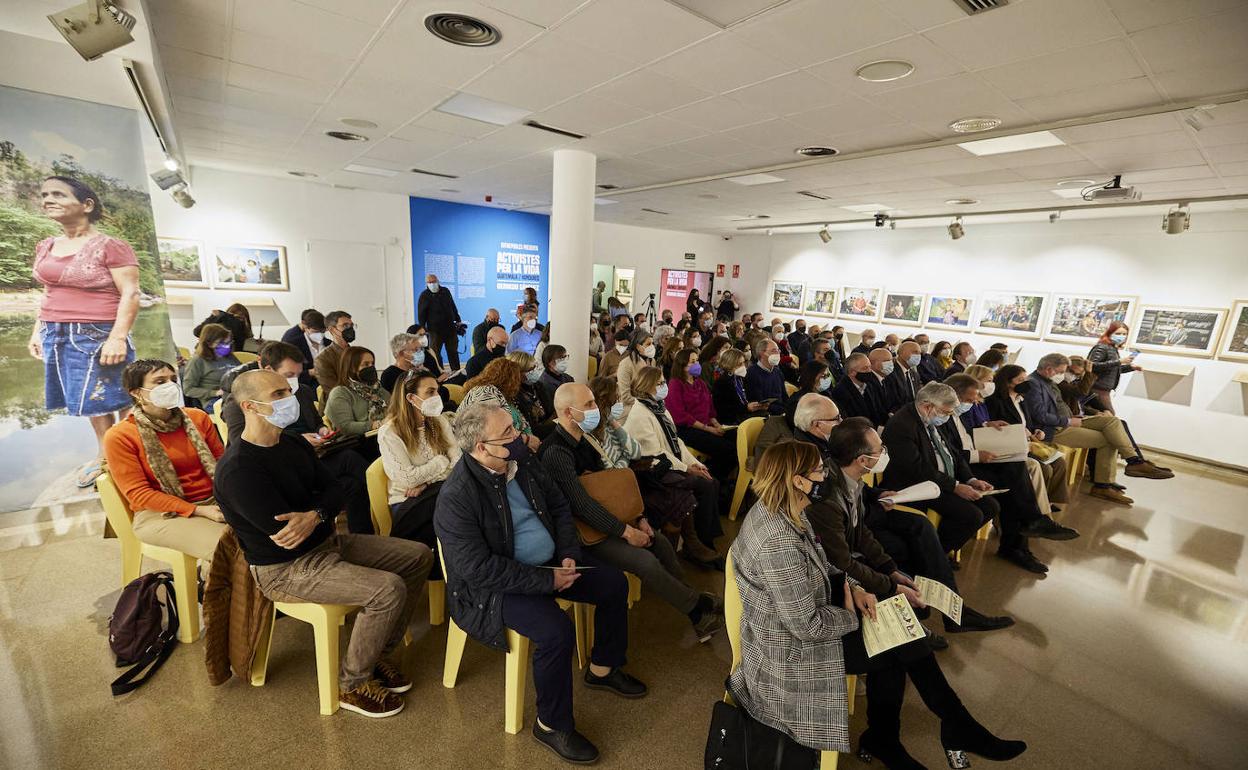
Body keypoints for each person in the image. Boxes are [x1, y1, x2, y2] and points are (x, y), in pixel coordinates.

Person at [736, 440, 1030, 769]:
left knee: (901, 637)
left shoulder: (790, 510)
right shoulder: (779, 541)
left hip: (802, 616)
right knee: (899, 644)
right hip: (790, 647)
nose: (826, 475)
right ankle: (936, 730)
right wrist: (850, 613)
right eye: (819, 470)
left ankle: (910, 734)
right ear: (797, 480)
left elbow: (827, 564)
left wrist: (856, 587)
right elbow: (807, 627)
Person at [215, 369, 433, 718]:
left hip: (326, 543)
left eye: (288, 390)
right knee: (387, 589)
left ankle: (376, 655)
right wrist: (321, 514)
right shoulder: (239, 469)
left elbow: (336, 490)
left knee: (417, 555)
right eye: (277, 394)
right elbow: (287, 536)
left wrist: (316, 514)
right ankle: (352, 684)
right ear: (249, 406)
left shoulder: (294, 443)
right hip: (285, 569)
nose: (289, 398)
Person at [435, 404, 645, 764]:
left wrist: (566, 552)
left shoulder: (523, 464)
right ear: (482, 447)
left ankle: (603, 668)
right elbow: (477, 569)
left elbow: (560, 506)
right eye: (508, 433)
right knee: (554, 630)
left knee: (612, 584)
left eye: (515, 428)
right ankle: (551, 724)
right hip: (497, 587)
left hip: (550, 563)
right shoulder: (458, 497)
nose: (519, 437)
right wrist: (545, 579)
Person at [802, 403, 1015, 637]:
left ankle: (947, 609)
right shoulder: (826, 489)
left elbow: (859, 522)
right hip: (842, 546)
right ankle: (915, 616)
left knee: (919, 529)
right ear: (863, 460)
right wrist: (891, 580)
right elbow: (843, 555)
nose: (885, 452)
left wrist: (890, 570)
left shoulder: (847, 474)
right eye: (880, 449)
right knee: (906, 547)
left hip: (859, 523)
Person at [541, 383, 724, 641]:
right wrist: (626, 532)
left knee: (657, 541)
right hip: (578, 533)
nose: (596, 409)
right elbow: (581, 505)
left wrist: (638, 519)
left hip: (602, 518)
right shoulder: (556, 452)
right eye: (589, 405)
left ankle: (692, 599)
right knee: (644, 560)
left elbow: (608, 487)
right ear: (568, 413)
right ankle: (697, 611)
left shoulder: (585, 439)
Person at [28, 176, 140, 487]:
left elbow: (130, 293)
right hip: (56, 331)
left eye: (59, 194)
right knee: (89, 401)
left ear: (86, 205)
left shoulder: (110, 246)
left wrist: (117, 336)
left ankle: (129, 456)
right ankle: (106, 456)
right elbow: (48, 291)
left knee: (117, 396)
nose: (48, 199)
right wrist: (38, 331)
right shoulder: (46, 245)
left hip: (97, 330)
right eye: (45, 194)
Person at [220, 342, 374, 534]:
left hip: (310, 453)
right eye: (289, 375)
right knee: (350, 461)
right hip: (277, 462)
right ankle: (386, 498)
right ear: (269, 370)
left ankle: (363, 532)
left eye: (298, 375)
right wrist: (301, 438)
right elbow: (242, 441)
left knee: (352, 481)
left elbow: (316, 420)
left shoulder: (302, 392)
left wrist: (322, 430)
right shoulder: (238, 406)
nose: (293, 385)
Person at [944, 374, 1078, 574]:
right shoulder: (943, 415)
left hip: (971, 461)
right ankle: (1023, 534)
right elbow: (950, 451)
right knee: (1015, 482)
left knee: (1015, 469)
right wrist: (976, 456)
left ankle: (1023, 535)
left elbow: (967, 435)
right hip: (961, 467)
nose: (973, 404)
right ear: (955, 396)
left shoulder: (958, 413)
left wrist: (986, 426)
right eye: (970, 400)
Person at [102, 359, 226, 562]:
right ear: (136, 392)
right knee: (228, 550)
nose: (170, 386)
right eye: (160, 382)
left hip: (214, 499)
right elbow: (139, 493)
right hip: (160, 513)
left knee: (269, 537)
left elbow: (222, 464)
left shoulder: (197, 418)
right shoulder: (121, 436)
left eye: (173, 379)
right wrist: (198, 510)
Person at [1022, 354, 1171, 505]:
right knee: (1108, 440)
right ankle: (1104, 485)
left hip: (1069, 420)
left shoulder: (1047, 381)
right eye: (1061, 371)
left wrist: (1079, 417)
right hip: (1054, 428)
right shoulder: (1034, 384)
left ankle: (1134, 461)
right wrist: (1068, 421)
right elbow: (1040, 416)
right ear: (1048, 369)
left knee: (1112, 421)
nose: (1062, 375)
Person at [881, 382, 1000, 557]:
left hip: (940, 479)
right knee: (970, 514)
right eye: (946, 412)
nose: (948, 417)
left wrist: (971, 480)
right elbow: (917, 469)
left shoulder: (931, 417)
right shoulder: (902, 425)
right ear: (927, 406)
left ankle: (944, 548)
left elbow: (952, 453)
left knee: (991, 505)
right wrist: (955, 486)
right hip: (917, 485)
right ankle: (934, 556)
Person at [623, 366, 723, 563]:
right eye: (659, 383)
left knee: (711, 480)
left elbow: (676, 442)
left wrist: (695, 464)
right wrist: (687, 469)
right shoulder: (639, 414)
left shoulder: (659, 407)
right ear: (647, 386)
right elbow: (656, 452)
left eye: (663, 382)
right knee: (702, 484)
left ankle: (704, 540)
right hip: (651, 470)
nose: (664, 386)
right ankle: (695, 545)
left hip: (668, 463)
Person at [378, 372, 460, 565]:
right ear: (410, 397)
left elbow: (458, 462)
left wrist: (426, 482)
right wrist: (441, 461)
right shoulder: (390, 432)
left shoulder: (439, 421)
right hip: (409, 500)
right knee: (457, 521)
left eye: (437, 392)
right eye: (430, 392)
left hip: (440, 491)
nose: (436, 398)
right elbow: (408, 479)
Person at [963, 364, 1066, 513]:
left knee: (1057, 462)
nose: (991, 384)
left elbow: (1025, 423)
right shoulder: (989, 402)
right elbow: (973, 430)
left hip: (1018, 442)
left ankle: (1041, 507)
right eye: (1020, 380)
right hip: (998, 447)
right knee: (1037, 467)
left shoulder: (986, 402)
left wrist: (1033, 432)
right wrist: (991, 426)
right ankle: (1036, 513)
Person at [665, 348, 736, 480]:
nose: (697, 364)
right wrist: (709, 429)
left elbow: (710, 408)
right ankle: (713, 479)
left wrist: (717, 425)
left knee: (735, 438)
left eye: (697, 360)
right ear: (683, 365)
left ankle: (724, 477)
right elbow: (680, 415)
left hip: (706, 425)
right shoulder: (676, 384)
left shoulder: (700, 383)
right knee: (728, 449)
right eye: (692, 362)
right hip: (687, 429)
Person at [460, 357, 543, 452]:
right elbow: (495, 432)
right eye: (517, 379)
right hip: (500, 450)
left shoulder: (502, 395)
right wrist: (527, 440)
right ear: (508, 380)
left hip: (519, 445)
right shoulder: (485, 392)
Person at [325, 346, 388, 444]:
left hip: (383, 436)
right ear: (352, 368)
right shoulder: (340, 392)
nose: (371, 368)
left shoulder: (378, 389)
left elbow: (396, 409)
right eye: (366, 364)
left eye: (372, 364)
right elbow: (344, 427)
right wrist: (374, 425)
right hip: (357, 443)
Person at [183, 323, 240, 410]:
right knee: (238, 412)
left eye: (228, 342)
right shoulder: (197, 361)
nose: (227, 346)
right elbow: (188, 390)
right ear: (209, 344)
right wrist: (215, 393)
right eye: (222, 343)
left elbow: (241, 372)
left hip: (234, 395)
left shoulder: (229, 356)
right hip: (213, 400)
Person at [1087, 320, 1140, 413]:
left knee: (1105, 416)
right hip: (1097, 389)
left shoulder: (1112, 348)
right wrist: (1119, 361)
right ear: (1110, 333)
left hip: (1104, 389)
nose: (1121, 337)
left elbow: (1112, 369)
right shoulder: (1102, 347)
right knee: (1109, 416)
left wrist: (1131, 367)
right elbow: (1092, 365)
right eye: (1118, 333)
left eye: (1124, 334)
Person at [831, 352, 889, 429]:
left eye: (869, 367)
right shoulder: (840, 392)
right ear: (852, 372)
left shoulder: (870, 384)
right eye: (865, 368)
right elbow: (850, 421)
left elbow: (879, 409)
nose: (869, 371)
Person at [417, 273, 463, 369]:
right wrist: (423, 328)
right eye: (429, 282)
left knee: (453, 352)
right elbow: (421, 314)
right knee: (436, 353)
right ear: (426, 283)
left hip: (450, 328)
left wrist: (458, 319)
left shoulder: (445, 291)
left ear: (437, 281)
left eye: (433, 281)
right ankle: (439, 372)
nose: (432, 284)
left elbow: (452, 306)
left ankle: (456, 371)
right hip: (434, 330)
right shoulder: (424, 296)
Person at [711, 348, 765, 426]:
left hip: (743, 414)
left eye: (743, 363)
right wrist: (746, 408)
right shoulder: (722, 382)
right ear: (730, 364)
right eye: (740, 364)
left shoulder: (740, 378)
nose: (744, 366)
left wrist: (759, 405)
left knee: (765, 414)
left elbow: (747, 398)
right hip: (731, 420)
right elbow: (724, 409)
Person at [314, 310, 356, 409]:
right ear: (332, 330)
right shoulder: (322, 359)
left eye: (351, 325)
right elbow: (333, 392)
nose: (350, 329)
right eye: (345, 326)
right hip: (337, 408)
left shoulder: (358, 353)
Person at [507, 351, 554, 438]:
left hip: (549, 430)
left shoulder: (538, 386)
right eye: (530, 370)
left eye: (535, 367)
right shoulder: (513, 396)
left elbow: (551, 410)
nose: (535, 371)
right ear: (517, 373)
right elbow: (531, 429)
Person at [615, 330, 656, 417]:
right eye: (648, 344)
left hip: (651, 406)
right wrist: (645, 403)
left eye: (652, 344)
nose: (652, 347)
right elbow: (625, 396)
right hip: (630, 409)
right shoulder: (626, 364)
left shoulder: (652, 361)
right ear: (638, 346)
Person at [280, 308, 326, 386]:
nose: (319, 335)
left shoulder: (328, 344)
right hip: (306, 386)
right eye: (315, 331)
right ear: (306, 328)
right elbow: (288, 373)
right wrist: (310, 372)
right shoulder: (293, 343)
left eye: (322, 331)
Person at [745, 338, 788, 415]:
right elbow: (761, 404)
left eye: (778, 350)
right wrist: (782, 410)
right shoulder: (752, 373)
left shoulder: (778, 371)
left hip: (781, 412)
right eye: (773, 351)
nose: (778, 353)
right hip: (766, 414)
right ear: (762, 353)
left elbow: (784, 397)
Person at [885, 340, 924, 412]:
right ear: (901, 353)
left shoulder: (915, 374)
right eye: (915, 352)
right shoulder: (891, 372)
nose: (918, 356)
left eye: (919, 353)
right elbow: (891, 401)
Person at [538, 344, 574, 416]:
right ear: (550, 362)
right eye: (561, 359)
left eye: (565, 357)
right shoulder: (543, 384)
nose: (564, 361)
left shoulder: (568, 378)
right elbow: (551, 409)